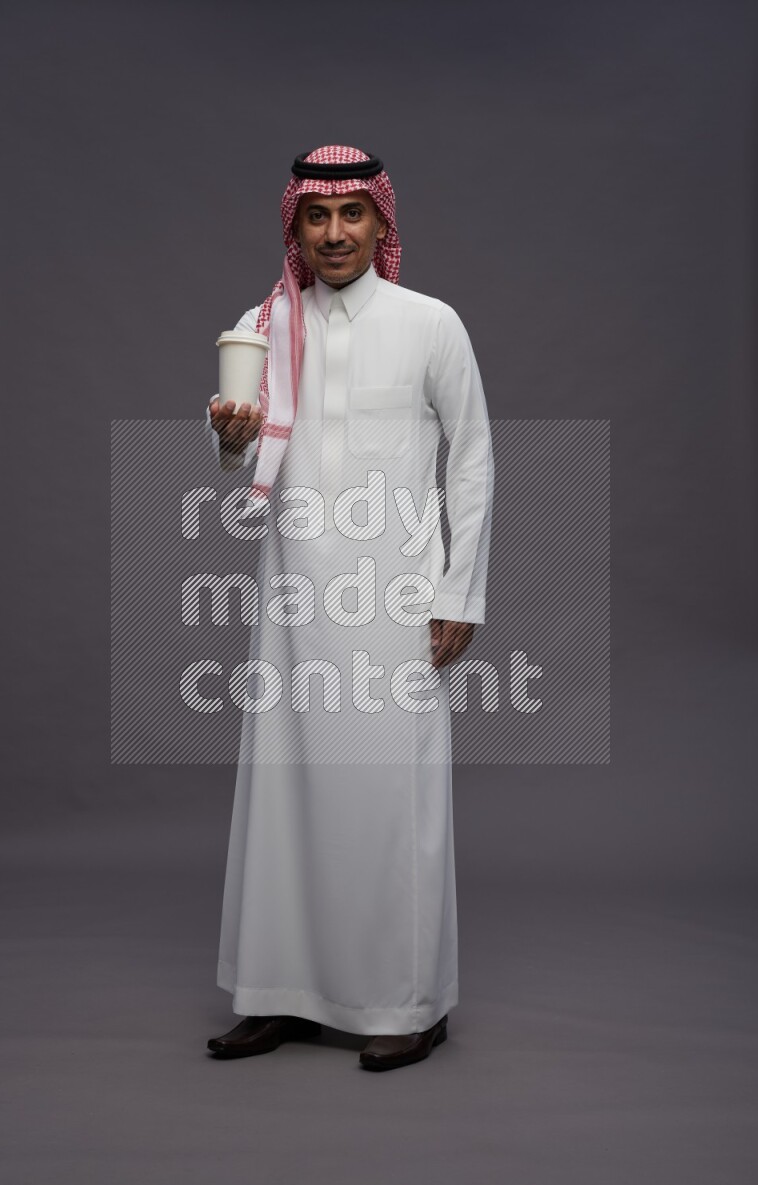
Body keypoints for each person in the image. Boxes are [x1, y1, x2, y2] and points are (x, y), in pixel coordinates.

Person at [204, 146, 494, 1071]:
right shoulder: (265, 323)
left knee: (388, 796)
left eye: (352, 216)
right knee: (284, 791)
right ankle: (279, 993)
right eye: (316, 218)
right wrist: (228, 437)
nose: (334, 234)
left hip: (396, 595)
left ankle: (409, 1002)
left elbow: (474, 458)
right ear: (294, 225)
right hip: (293, 594)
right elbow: (243, 461)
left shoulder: (430, 323)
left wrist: (460, 590)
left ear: (381, 224)